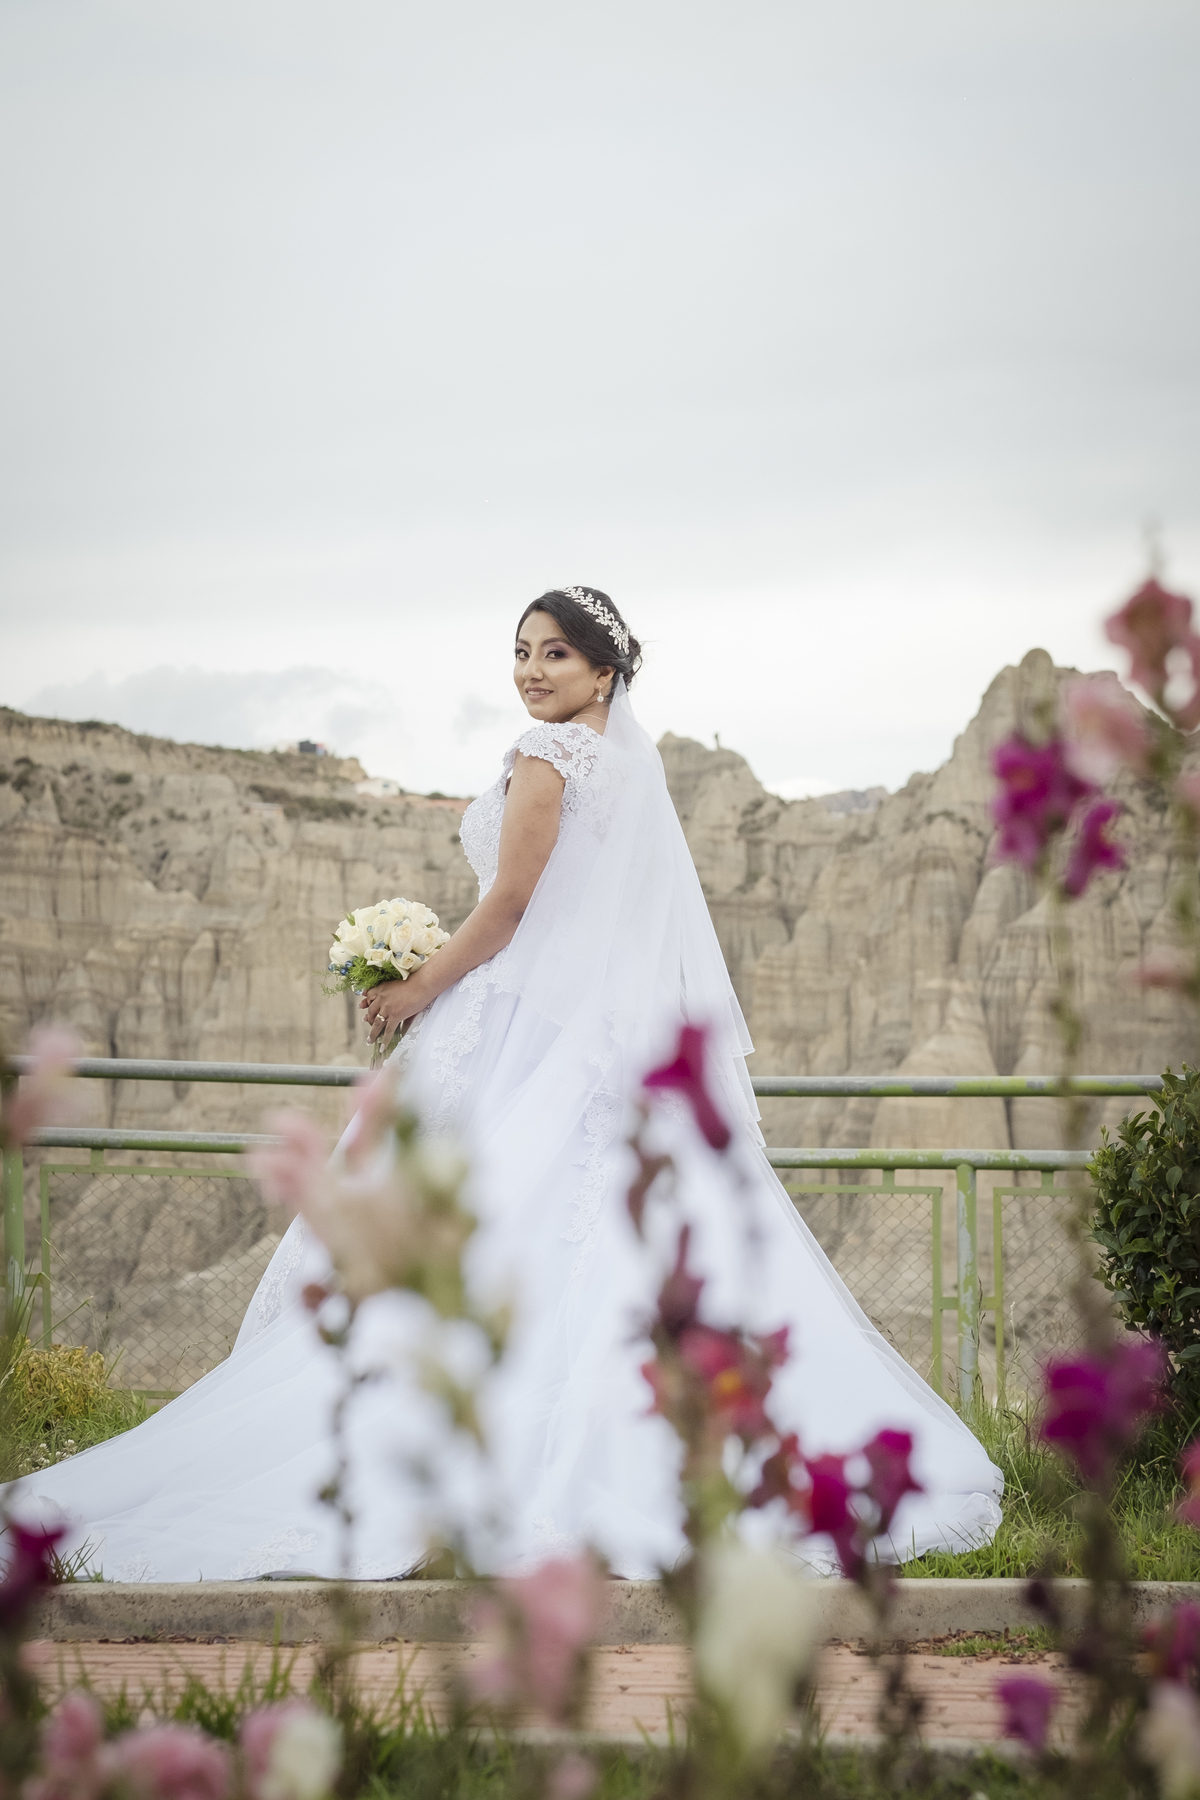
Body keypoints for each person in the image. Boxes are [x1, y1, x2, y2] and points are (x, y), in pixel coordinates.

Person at [9, 588, 1002, 1580]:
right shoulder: (619, 768)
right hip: (577, 1037)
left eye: (557, 654)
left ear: (605, 672)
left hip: (517, 1032)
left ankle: (458, 1451)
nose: (532, 670)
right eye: (522, 651)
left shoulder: (552, 756)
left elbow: (512, 908)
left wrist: (416, 987)